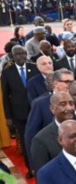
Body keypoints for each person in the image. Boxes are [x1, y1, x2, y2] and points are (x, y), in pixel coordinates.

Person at [0, 46, 39, 176]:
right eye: (17, 54)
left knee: (38, 138)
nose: (21, 56)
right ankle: (30, 168)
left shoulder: (34, 68)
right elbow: (5, 96)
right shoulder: (7, 72)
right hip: (19, 114)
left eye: (23, 53)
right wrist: (8, 116)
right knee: (25, 140)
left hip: (36, 111)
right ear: (12, 56)